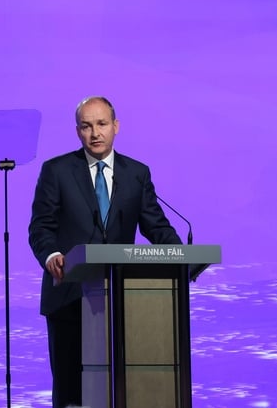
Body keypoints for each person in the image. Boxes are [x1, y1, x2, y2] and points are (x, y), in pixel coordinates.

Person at [28, 96, 182, 408]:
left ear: (115, 127)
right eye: (86, 126)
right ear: (77, 131)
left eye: (101, 124)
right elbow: (40, 228)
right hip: (69, 297)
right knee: (72, 394)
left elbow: (156, 226)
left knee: (122, 391)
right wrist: (51, 256)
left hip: (124, 304)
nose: (95, 133)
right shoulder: (56, 171)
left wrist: (181, 258)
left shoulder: (136, 174)